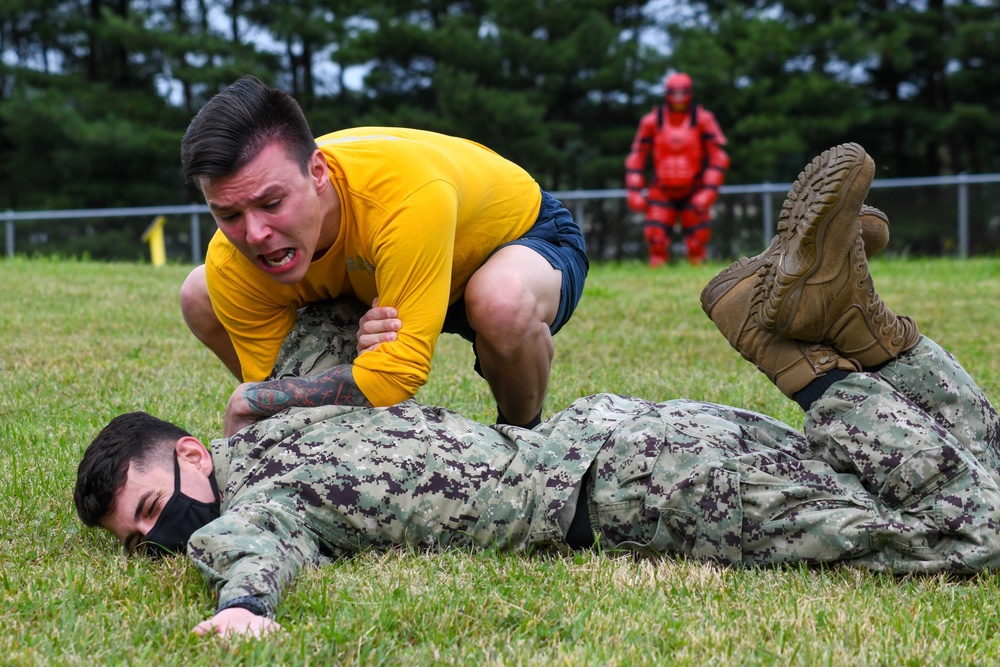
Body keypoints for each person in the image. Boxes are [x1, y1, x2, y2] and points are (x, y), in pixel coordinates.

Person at [75, 142, 1000, 638]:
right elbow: (314, 304)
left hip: (642, 492)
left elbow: (249, 552)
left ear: (194, 452)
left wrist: (242, 605)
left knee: (969, 533)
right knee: (975, 476)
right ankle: (864, 334)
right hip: (630, 449)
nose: (158, 540)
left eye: (156, 507)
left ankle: (811, 348)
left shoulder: (255, 491)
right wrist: (263, 388)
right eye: (136, 538)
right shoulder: (295, 391)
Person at [177, 76, 589, 434]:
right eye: (228, 214)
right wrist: (278, 394)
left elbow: (396, 376)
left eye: (272, 203)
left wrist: (257, 400)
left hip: (510, 238)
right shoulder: (232, 259)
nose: (255, 235)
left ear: (317, 173)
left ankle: (523, 435)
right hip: (378, 274)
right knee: (201, 292)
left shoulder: (404, 198)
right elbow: (280, 386)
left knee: (500, 301)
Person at [625, 71, 730, 266]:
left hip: (694, 189)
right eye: (675, 93)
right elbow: (636, 157)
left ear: (689, 93)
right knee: (656, 239)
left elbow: (719, 158)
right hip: (662, 190)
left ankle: (700, 283)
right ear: (667, 93)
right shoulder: (652, 121)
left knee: (698, 242)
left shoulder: (702, 119)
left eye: (683, 93)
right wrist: (634, 191)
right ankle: (655, 282)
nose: (679, 98)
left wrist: (708, 192)